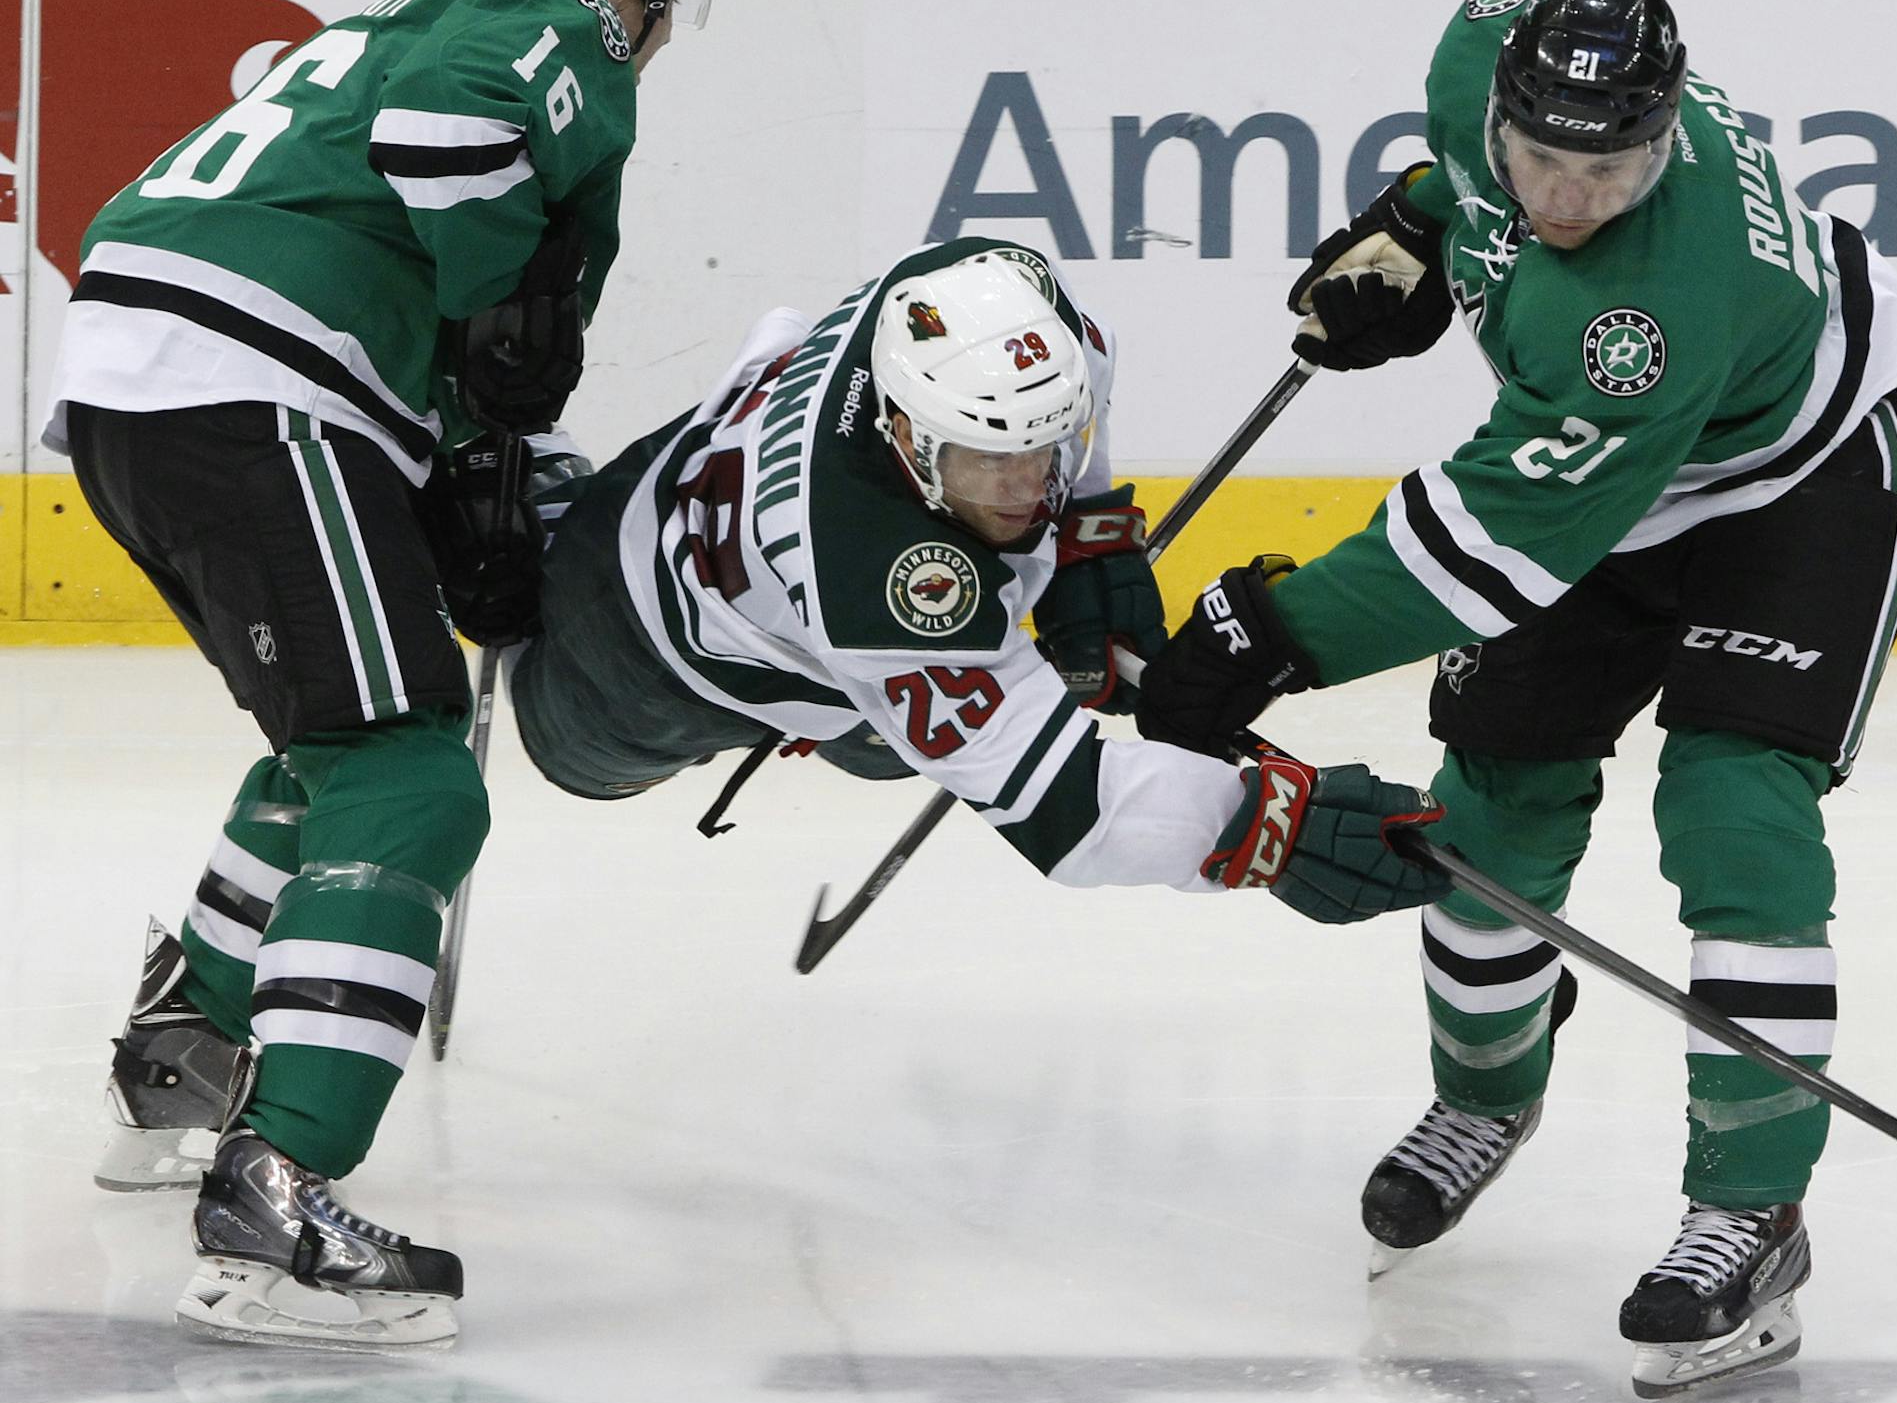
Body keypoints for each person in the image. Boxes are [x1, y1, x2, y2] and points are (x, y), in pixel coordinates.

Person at [1135, 0, 1897, 1398]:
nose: (1572, 198)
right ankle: (1483, 1101)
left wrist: (1272, 632)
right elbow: (1462, 165)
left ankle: (1753, 1209)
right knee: (1496, 801)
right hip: (1612, 492)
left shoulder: (1644, 315)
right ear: (1503, 102)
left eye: (1613, 169)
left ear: (1662, 142)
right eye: (1542, 162)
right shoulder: (1475, 54)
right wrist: (1419, 221)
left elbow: (1484, 551)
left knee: (1736, 811)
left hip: (1800, 494)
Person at [48, 0, 715, 1351]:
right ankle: (274, 1200)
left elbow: (389, 190)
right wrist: (497, 319)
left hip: (147, 375)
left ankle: (185, 1050)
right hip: (251, 381)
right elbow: (445, 139)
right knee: (414, 781)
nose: (660, 25)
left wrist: (464, 449)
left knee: (338, 743)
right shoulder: (549, 22)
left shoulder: (398, 15)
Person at [507, 235, 1447, 937]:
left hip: (697, 470)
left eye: (1042, 453)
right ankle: (531, 520)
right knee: (572, 757)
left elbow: (1075, 400)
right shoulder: (875, 584)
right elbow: (1079, 819)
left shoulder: (998, 302)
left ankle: (849, 708)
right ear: (909, 438)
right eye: (988, 463)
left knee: (894, 741)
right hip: (643, 647)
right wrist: (1264, 826)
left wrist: (1088, 537)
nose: (1024, 486)